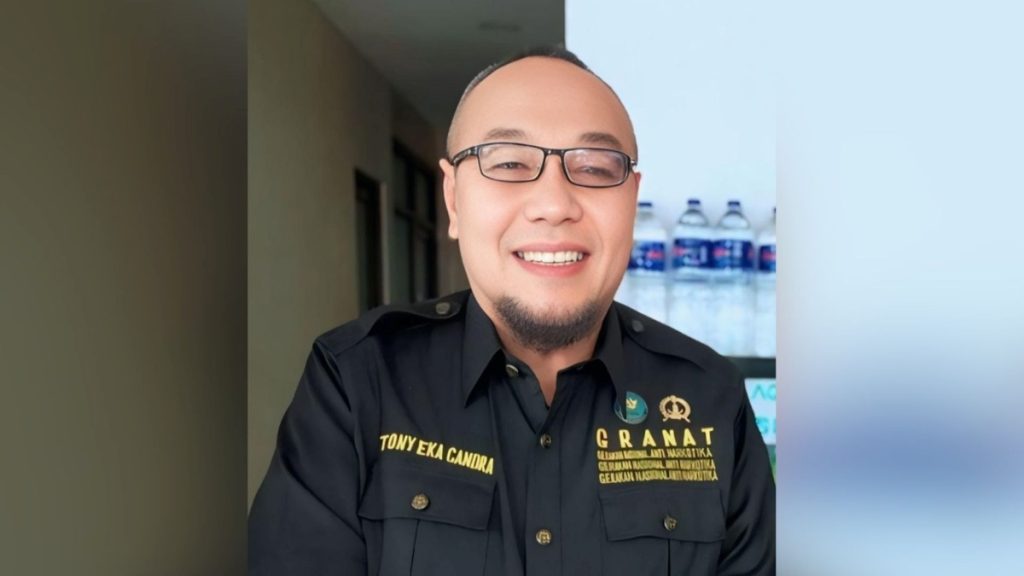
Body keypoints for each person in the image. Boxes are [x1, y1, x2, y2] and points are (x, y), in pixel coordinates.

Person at [249, 46, 775, 575]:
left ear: (632, 201)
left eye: (595, 168)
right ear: (453, 198)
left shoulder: (710, 396)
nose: (554, 204)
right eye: (508, 163)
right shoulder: (356, 380)